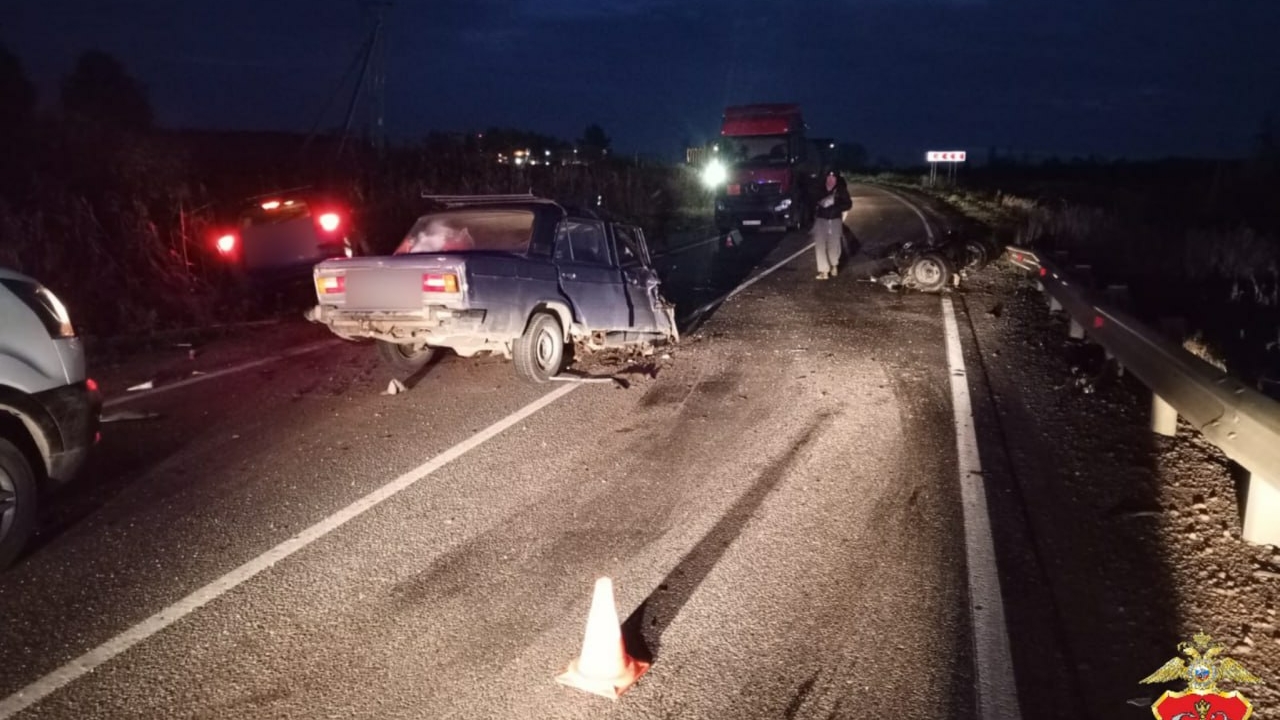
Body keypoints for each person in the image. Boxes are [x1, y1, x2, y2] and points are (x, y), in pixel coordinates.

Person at [812, 168, 852, 279]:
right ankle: (824, 271)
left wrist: (835, 206)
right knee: (820, 245)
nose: (830, 179)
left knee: (834, 244)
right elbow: (812, 200)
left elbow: (848, 204)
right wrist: (820, 202)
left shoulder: (841, 190)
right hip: (821, 220)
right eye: (828, 177)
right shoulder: (820, 188)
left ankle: (834, 265)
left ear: (836, 178)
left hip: (834, 220)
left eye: (833, 177)